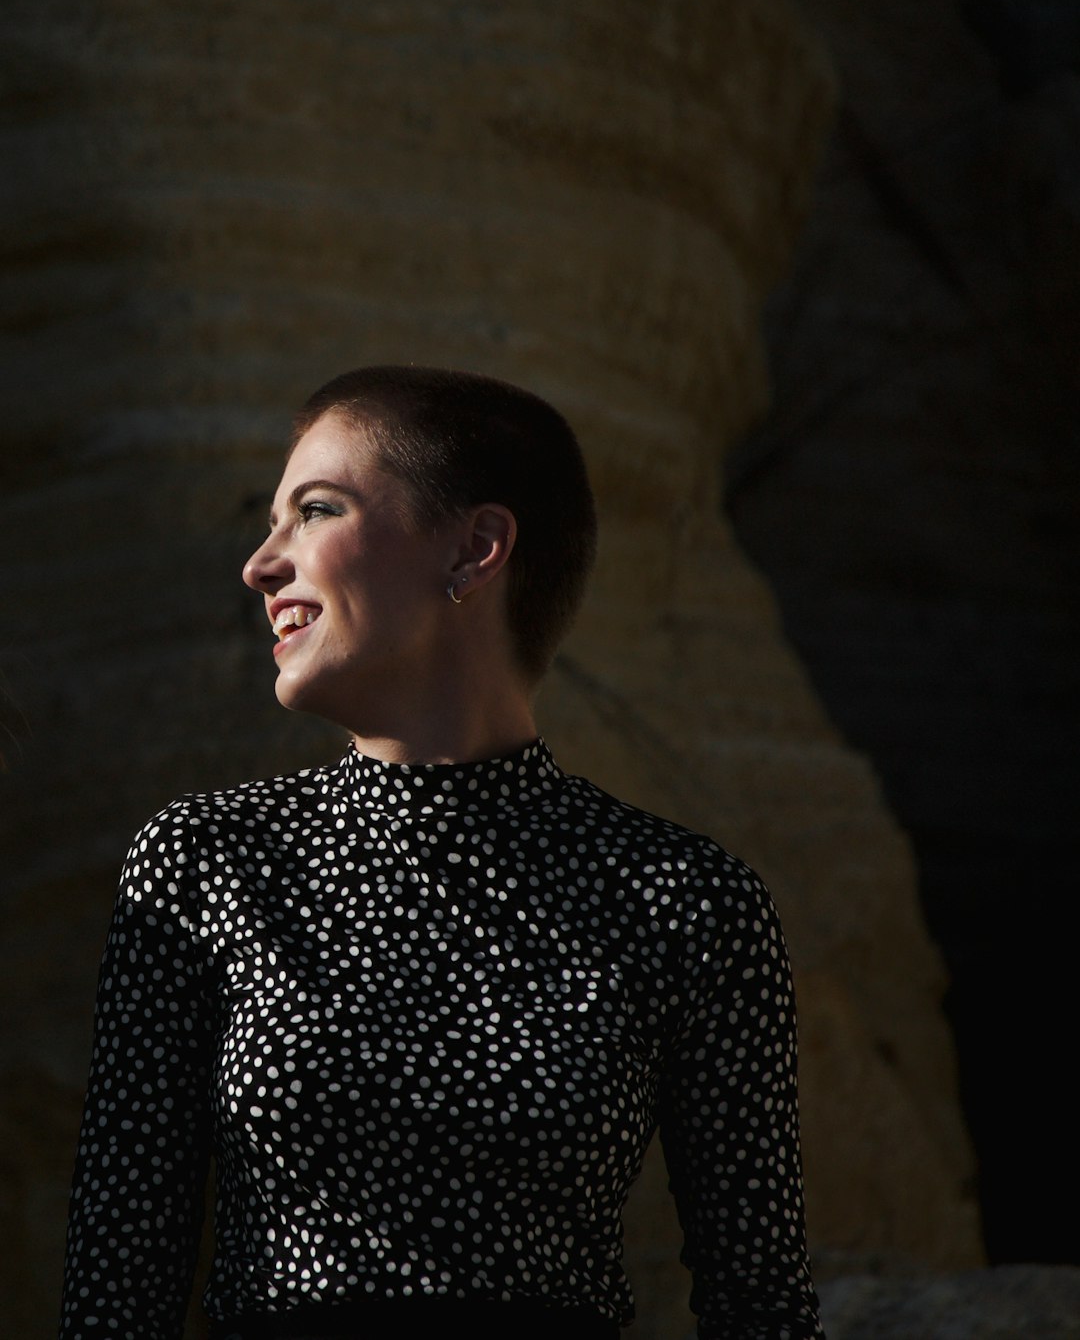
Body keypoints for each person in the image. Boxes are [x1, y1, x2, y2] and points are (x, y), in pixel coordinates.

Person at [59, 367, 824, 1339]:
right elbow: (114, 1294)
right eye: (271, 520)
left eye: (315, 511)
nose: (260, 563)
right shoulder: (205, 864)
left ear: (476, 549)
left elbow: (762, 1307)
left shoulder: (686, 902)